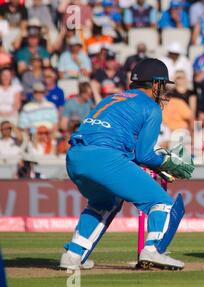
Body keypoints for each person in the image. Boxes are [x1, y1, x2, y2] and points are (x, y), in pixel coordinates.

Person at [59, 58, 195, 270]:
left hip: (75, 157)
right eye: (163, 86)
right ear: (156, 84)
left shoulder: (110, 99)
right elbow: (144, 155)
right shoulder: (151, 107)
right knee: (162, 203)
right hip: (105, 158)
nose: (164, 91)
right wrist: (167, 162)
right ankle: (153, 250)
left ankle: (73, 255)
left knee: (104, 202)